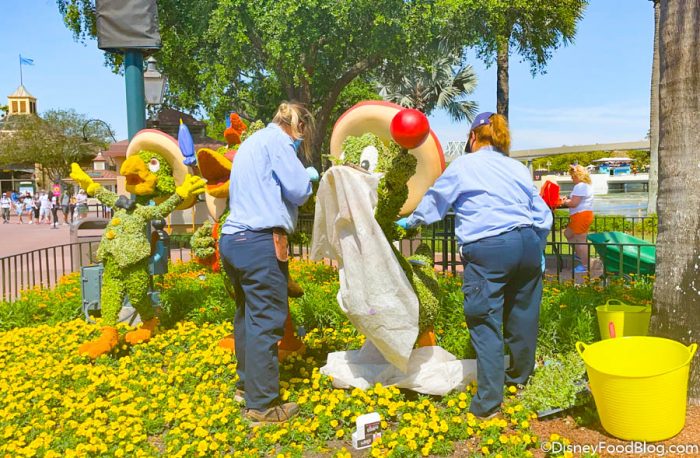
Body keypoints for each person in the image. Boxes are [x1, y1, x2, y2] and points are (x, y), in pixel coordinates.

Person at [397, 112, 552, 419]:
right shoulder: (517, 168)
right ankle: (519, 380)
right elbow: (542, 212)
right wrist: (538, 245)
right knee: (523, 316)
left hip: (489, 247)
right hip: (527, 243)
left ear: (472, 137)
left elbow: (436, 201)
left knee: (485, 321)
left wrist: (411, 222)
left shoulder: (464, 165)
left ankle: (488, 404)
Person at [219, 101, 318, 424]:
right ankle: (262, 405)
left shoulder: (252, 142)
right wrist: (309, 178)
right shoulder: (279, 142)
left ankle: (246, 387)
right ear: (299, 127)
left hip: (233, 239)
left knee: (247, 316)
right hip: (260, 241)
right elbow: (299, 190)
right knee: (266, 321)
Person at [561, 164, 594, 273]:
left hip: (581, 215)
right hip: (581, 215)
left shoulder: (579, 186)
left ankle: (585, 266)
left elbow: (574, 203)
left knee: (580, 241)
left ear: (577, 176)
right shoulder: (585, 185)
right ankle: (579, 254)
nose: (571, 179)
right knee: (568, 234)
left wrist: (564, 202)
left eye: (572, 176)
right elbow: (576, 200)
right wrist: (568, 199)